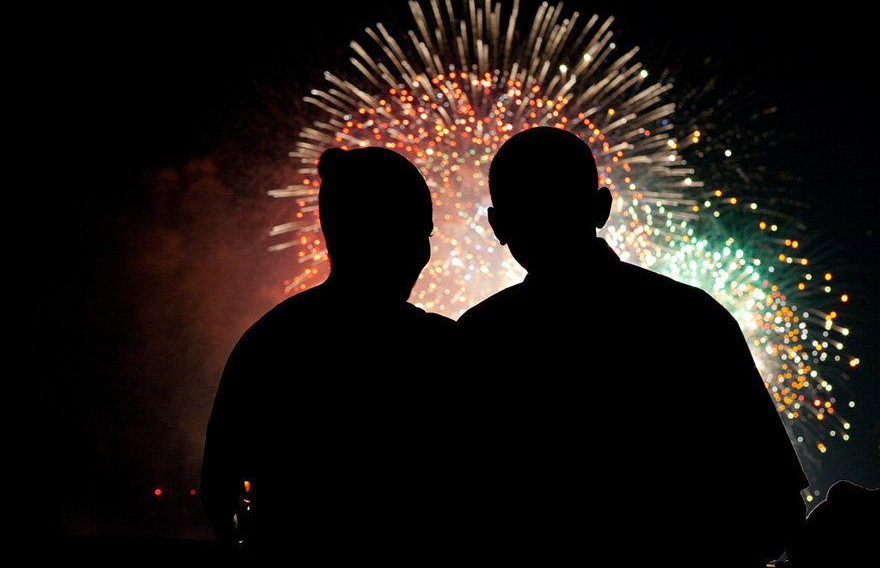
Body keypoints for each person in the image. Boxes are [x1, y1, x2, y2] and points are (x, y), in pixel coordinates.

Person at [457, 127, 809, 566]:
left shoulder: (477, 339)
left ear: (498, 226)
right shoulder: (692, 317)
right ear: (601, 208)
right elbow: (776, 512)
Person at [199, 147, 459, 558]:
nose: (423, 252)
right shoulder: (442, 348)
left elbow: (217, 490)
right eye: (419, 233)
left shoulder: (268, 342)